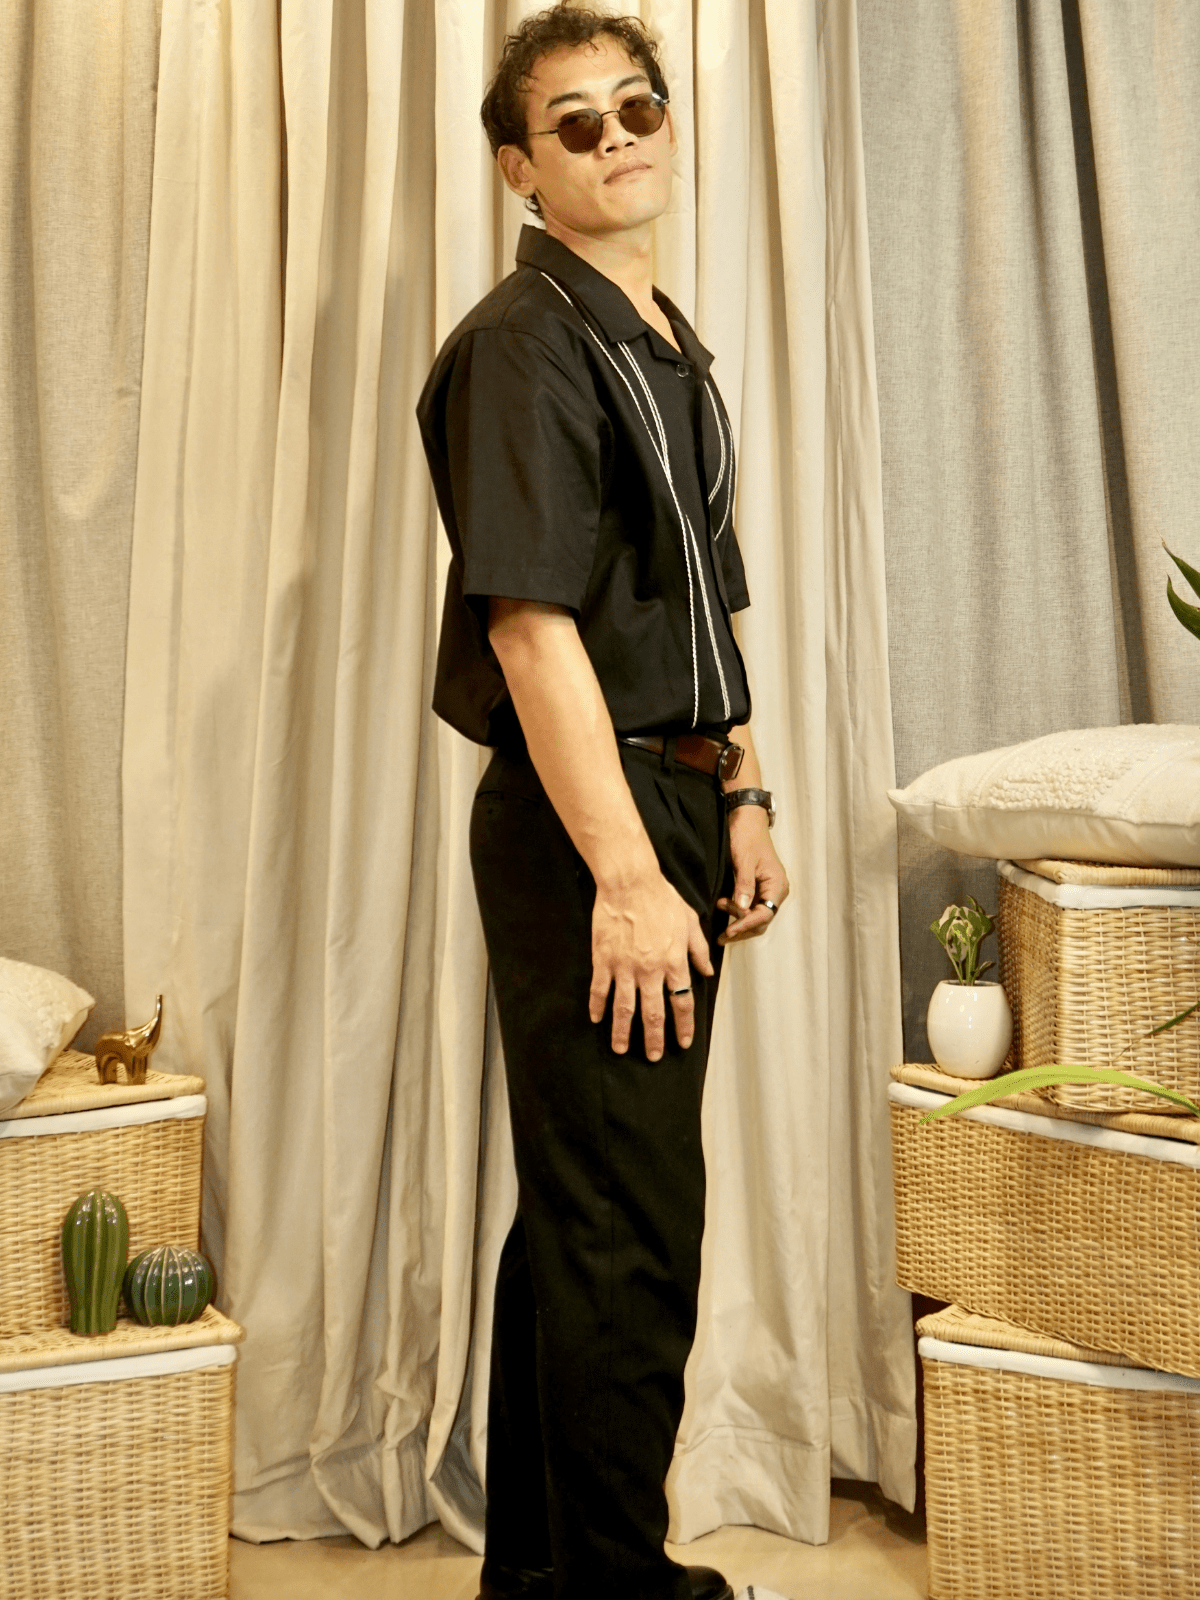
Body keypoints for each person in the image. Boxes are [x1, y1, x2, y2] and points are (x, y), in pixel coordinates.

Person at [417, 9, 789, 1599]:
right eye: (575, 122)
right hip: (592, 829)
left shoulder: (663, 343)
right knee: (628, 1233)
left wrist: (746, 790)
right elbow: (529, 626)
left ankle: (549, 1583)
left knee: (585, 1220)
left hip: (674, 802)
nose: (619, 134)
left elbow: (701, 599)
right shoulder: (524, 342)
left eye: (638, 106)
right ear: (522, 167)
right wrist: (631, 879)